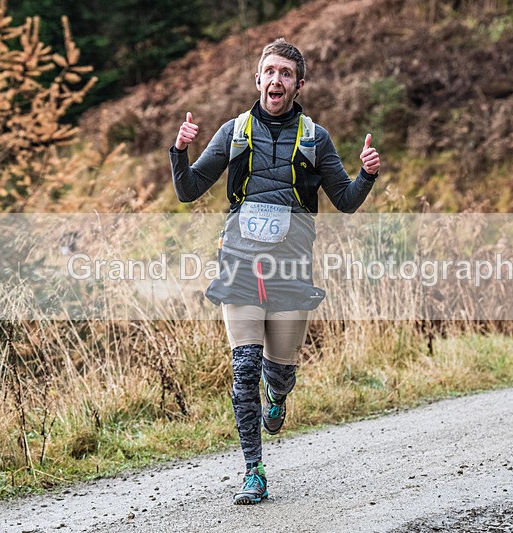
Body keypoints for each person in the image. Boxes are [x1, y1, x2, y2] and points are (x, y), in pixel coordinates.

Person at [169, 38, 380, 504]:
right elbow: (188, 190)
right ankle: (253, 472)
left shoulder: (315, 138)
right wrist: (179, 150)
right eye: (270, 71)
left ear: (298, 84)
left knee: (277, 371)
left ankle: (278, 395)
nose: (277, 80)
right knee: (243, 367)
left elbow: (344, 202)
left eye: (286, 73)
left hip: (290, 270)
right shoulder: (233, 131)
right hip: (240, 264)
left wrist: (365, 176)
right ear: (258, 79)